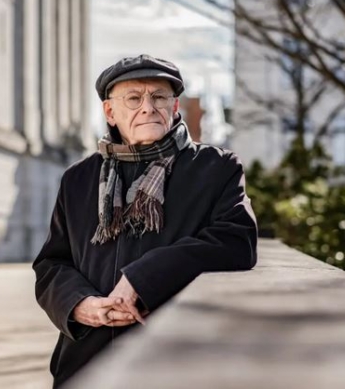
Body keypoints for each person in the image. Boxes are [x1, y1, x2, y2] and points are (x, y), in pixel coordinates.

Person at [32, 54, 258, 388]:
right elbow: (52, 263)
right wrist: (80, 305)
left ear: (175, 106)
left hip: (173, 363)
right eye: (134, 99)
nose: (148, 107)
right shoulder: (78, 178)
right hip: (84, 362)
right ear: (110, 112)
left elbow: (237, 242)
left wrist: (144, 277)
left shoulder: (217, 167)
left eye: (159, 97)